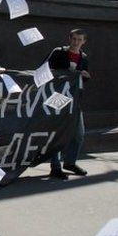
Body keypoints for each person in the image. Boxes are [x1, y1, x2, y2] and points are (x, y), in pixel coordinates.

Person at [47, 29, 91, 180]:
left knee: (79, 133)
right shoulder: (58, 52)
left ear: (84, 42)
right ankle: (56, 167)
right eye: (74, 39)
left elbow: (82, 79)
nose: (76, 42)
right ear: (69, 38)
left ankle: (70, 162)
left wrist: (84, 76)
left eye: (79, 39)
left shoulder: (83, 57)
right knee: (57, 133)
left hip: (75, 99)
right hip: (57, 96)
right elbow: (45, 70)